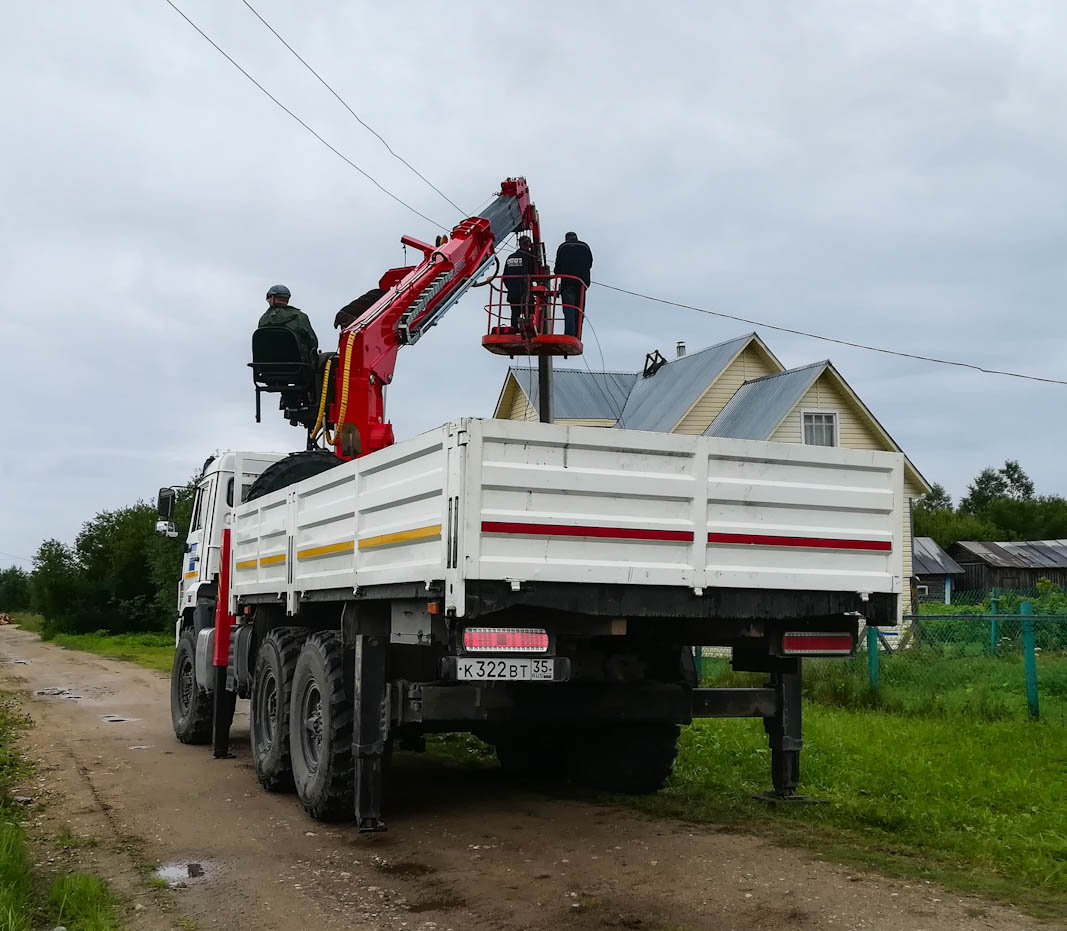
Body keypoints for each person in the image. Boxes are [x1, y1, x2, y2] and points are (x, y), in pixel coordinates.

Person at [257, 285, 319, 363]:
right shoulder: (300, 317)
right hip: (297, 366)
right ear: (287, 299)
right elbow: (313, 343)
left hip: (267, 367)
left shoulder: (263, 319)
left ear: (273, 298)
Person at [553, 232, 593, 337]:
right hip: (581, 284)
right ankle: (577, 335)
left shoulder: (563, 247)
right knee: (579, 310)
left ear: (566, 239)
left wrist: (560, 272)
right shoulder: (585, 247)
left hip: (567, 283)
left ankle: (569, 334)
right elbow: (590, 263)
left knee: (569, 309)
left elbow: (557, 268)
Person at [503, 236, 536, 331]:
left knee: (515, 313)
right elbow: (534, 272)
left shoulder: (510, 257)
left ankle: (515, 330)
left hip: (513, 292)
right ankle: (529, 330)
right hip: (525, 292)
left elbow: (505, 276)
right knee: (529, 313)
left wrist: (511, 288)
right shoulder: (529, 257)